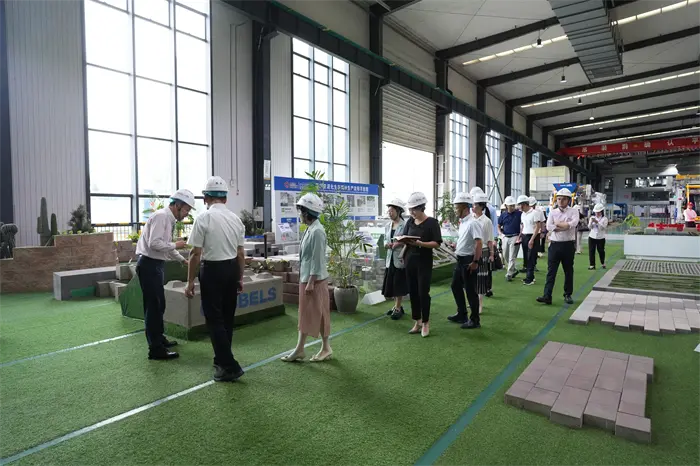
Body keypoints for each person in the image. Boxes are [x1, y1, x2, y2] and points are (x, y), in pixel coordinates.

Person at [185, 176, 247, 382]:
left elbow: (195, 253)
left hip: (212, 270)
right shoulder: (236, 219)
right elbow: (241, 253)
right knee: (227, 317)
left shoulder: (204, 218)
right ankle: (221, 358)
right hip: (231, 269)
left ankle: (229, 366)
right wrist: (240, 277)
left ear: (205, 198)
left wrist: (190, 281)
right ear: (225, 199)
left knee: (214, 319)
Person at [136, 189, 195, 361]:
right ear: (178, 205)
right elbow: (154, 244)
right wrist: (177, 245)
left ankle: (159, 339)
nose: (187, 214)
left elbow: (165, 246)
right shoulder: (162, 217)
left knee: (159, 305)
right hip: (149, 265)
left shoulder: (168, 219)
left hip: (155, 265)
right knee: (153, 308)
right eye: (186, 209)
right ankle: (155, 349)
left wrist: (182, 260)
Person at [281, 193, 332, 362]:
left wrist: (311, 281)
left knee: (321, 313)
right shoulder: (311, 229)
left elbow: (317, 258)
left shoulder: (317, 231)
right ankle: (300, 349)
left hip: (314, 280)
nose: (300, 214)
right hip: (308, 278)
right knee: (305, 313)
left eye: (301, 211)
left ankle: (324, 348)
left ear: (307, 213)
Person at [401, 192, 442, 337]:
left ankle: (425, 322)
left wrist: (420, 243)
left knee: (423, 292)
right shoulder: (410, 222)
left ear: (421, 208)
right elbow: (405, 239)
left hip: (424, 261)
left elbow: (437, 243)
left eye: (414, 210)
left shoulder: (432, 223)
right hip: (410, 260)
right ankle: (417, 321)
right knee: (412, 291)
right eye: (410, 210)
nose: (412, 212)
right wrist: (402, 249)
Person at [537, 188, 579, 306]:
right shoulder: (553, 212)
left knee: (568, 271)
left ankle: (568, 294)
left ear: (568, 200)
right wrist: (565, 226)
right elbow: (549, 227)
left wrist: (558, 225)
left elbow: (573, 224)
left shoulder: (573, 211)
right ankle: (547, 296)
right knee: (551, 271)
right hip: (555, 245)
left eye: (563, 199)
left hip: (568, 245)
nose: (560, 201)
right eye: (559, 199)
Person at [447, 193, 482, 328]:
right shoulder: (463, 222)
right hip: (460, 259)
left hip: (468, 260)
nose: (455, 211)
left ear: (465, 208)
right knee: (455, 286)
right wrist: (456, 246)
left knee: (470, 290)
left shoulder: (473, 223)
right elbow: (467, 240)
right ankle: (462, 314)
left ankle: (475, 320)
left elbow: (478, 243)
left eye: (457, 208)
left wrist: (475, 262)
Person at [382, 198, 408, 320]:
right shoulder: (388, 225)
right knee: (392, 283)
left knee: (398, 284)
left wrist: (399, 244)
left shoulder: (405, 225)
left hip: (399, 258)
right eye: (389, 211)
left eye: (392, 211)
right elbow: (384, 239)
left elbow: (408, 241)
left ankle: (398, 308)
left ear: (399, 211)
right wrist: (386, 245)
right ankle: (396, 306)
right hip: (390, 258)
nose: (390, 213)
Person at [470, 186, 495, 297]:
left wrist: (491, 254)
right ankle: (473, 300)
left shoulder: (487, 221)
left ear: (481, 206)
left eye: (474, 204)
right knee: (471, 277)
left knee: (481, 277)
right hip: (471, 250)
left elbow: (489, 239)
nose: (473, 206)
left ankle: (480, 301)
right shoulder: (470, 219)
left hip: (483, 251)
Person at [520, 195, 544, 286]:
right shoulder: (523, 214)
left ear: (525, 204)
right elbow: (523, 225)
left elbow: (538, 227)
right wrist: (520, 235)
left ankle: (530, 278)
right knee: (526, 257)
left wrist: (532, 239)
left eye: (521, 205)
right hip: (524, 236)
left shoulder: (535, 213)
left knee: (531, 257)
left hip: (533, 236)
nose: (520, 207)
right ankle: (530, 276)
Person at [498, 196, 522, 281]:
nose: (512, 207)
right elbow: (498, 225)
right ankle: (513, 269)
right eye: (510, 205)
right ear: (506, 206)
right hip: (505, 236)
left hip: (515, 236)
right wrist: (501, 234)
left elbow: (523, 225)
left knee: (512, 256)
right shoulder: (503, 215)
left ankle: (509, 274)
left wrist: (520, 236)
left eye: (513, 205)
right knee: (505, 255)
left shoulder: (519, 214)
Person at [588, 203, 608, 270]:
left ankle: (603, 263)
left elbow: (603, 228)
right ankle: (592, 265)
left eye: (598, 212)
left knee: (601, 251)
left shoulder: (605, 219)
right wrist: (591, 222)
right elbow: (589, 227)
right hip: (592, 236)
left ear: (601, 211)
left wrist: (597, 222)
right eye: (596, 212)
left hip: (601, 237)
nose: (597, 213)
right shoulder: (592, 218)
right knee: (591, 251)